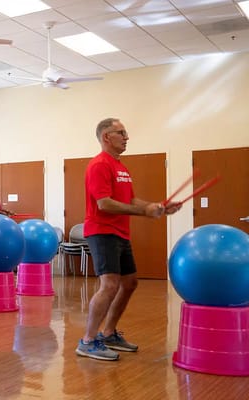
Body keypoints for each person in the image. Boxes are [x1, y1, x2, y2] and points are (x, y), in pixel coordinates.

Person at [76, 118, 180, 361]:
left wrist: (160, 207)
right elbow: (105, 203)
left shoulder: (121, 167)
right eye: (120, 133)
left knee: (130, 283)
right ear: (106, 137)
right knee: (110, 284)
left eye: (125, 132)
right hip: (102, 231)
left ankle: (109, 333)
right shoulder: (99, 165)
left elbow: (131, 200)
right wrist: (145, 212)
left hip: (120, 232)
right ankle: (88, 341)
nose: (126, 137)